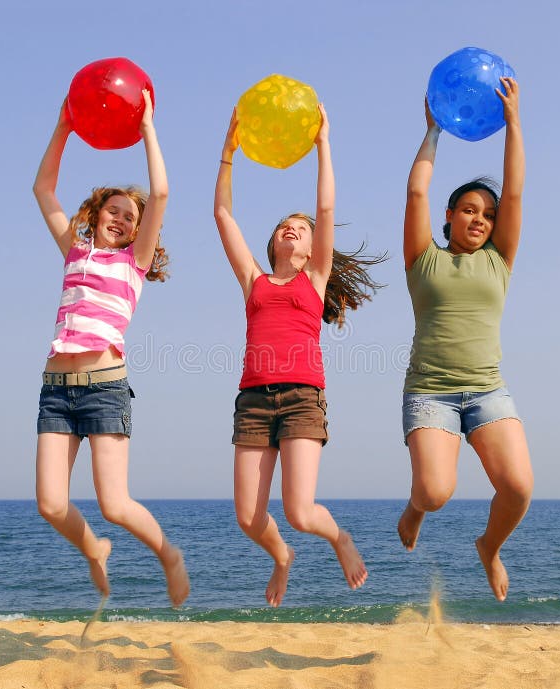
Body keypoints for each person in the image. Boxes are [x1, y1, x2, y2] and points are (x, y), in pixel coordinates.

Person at [214, 105, 383, 607]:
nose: (293, 229)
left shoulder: (314, 280)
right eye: (285, 226)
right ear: (271, 244)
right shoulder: (255, 281)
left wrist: (323, 144)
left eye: (301, 228)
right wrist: (228, 154)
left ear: (312, 249)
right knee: (249, 517)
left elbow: (325, 209)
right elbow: (223, 215)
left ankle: (339, 538)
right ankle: (281, 556)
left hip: (302, 397)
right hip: (253, 400)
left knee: (301, 511)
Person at [32, 90, 189, 607]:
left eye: (130, 216)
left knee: (115, 503)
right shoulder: (73, 250)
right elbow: (43, 188)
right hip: (56, 388)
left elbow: (161, 193)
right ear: (96, 213)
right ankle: (94, 550)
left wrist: (147, 128)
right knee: (51, 505)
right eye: (114, 210)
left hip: (103, 388)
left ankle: (169, 554)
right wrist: (64, 127)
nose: (121, 219)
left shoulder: (132, 265)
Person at [397, 77, 532, 602]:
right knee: (434, 492)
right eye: (469, 210)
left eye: (487, 214)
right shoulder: (422, 259)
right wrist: (433, 130)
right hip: (430, 392)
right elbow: (415, 192)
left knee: (518, 489)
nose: (479, 219)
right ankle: (415, 507)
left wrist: (514, 122)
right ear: (450, 216)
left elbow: (515, 190)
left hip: (487, 391)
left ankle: (489, 548)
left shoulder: (499, 260)